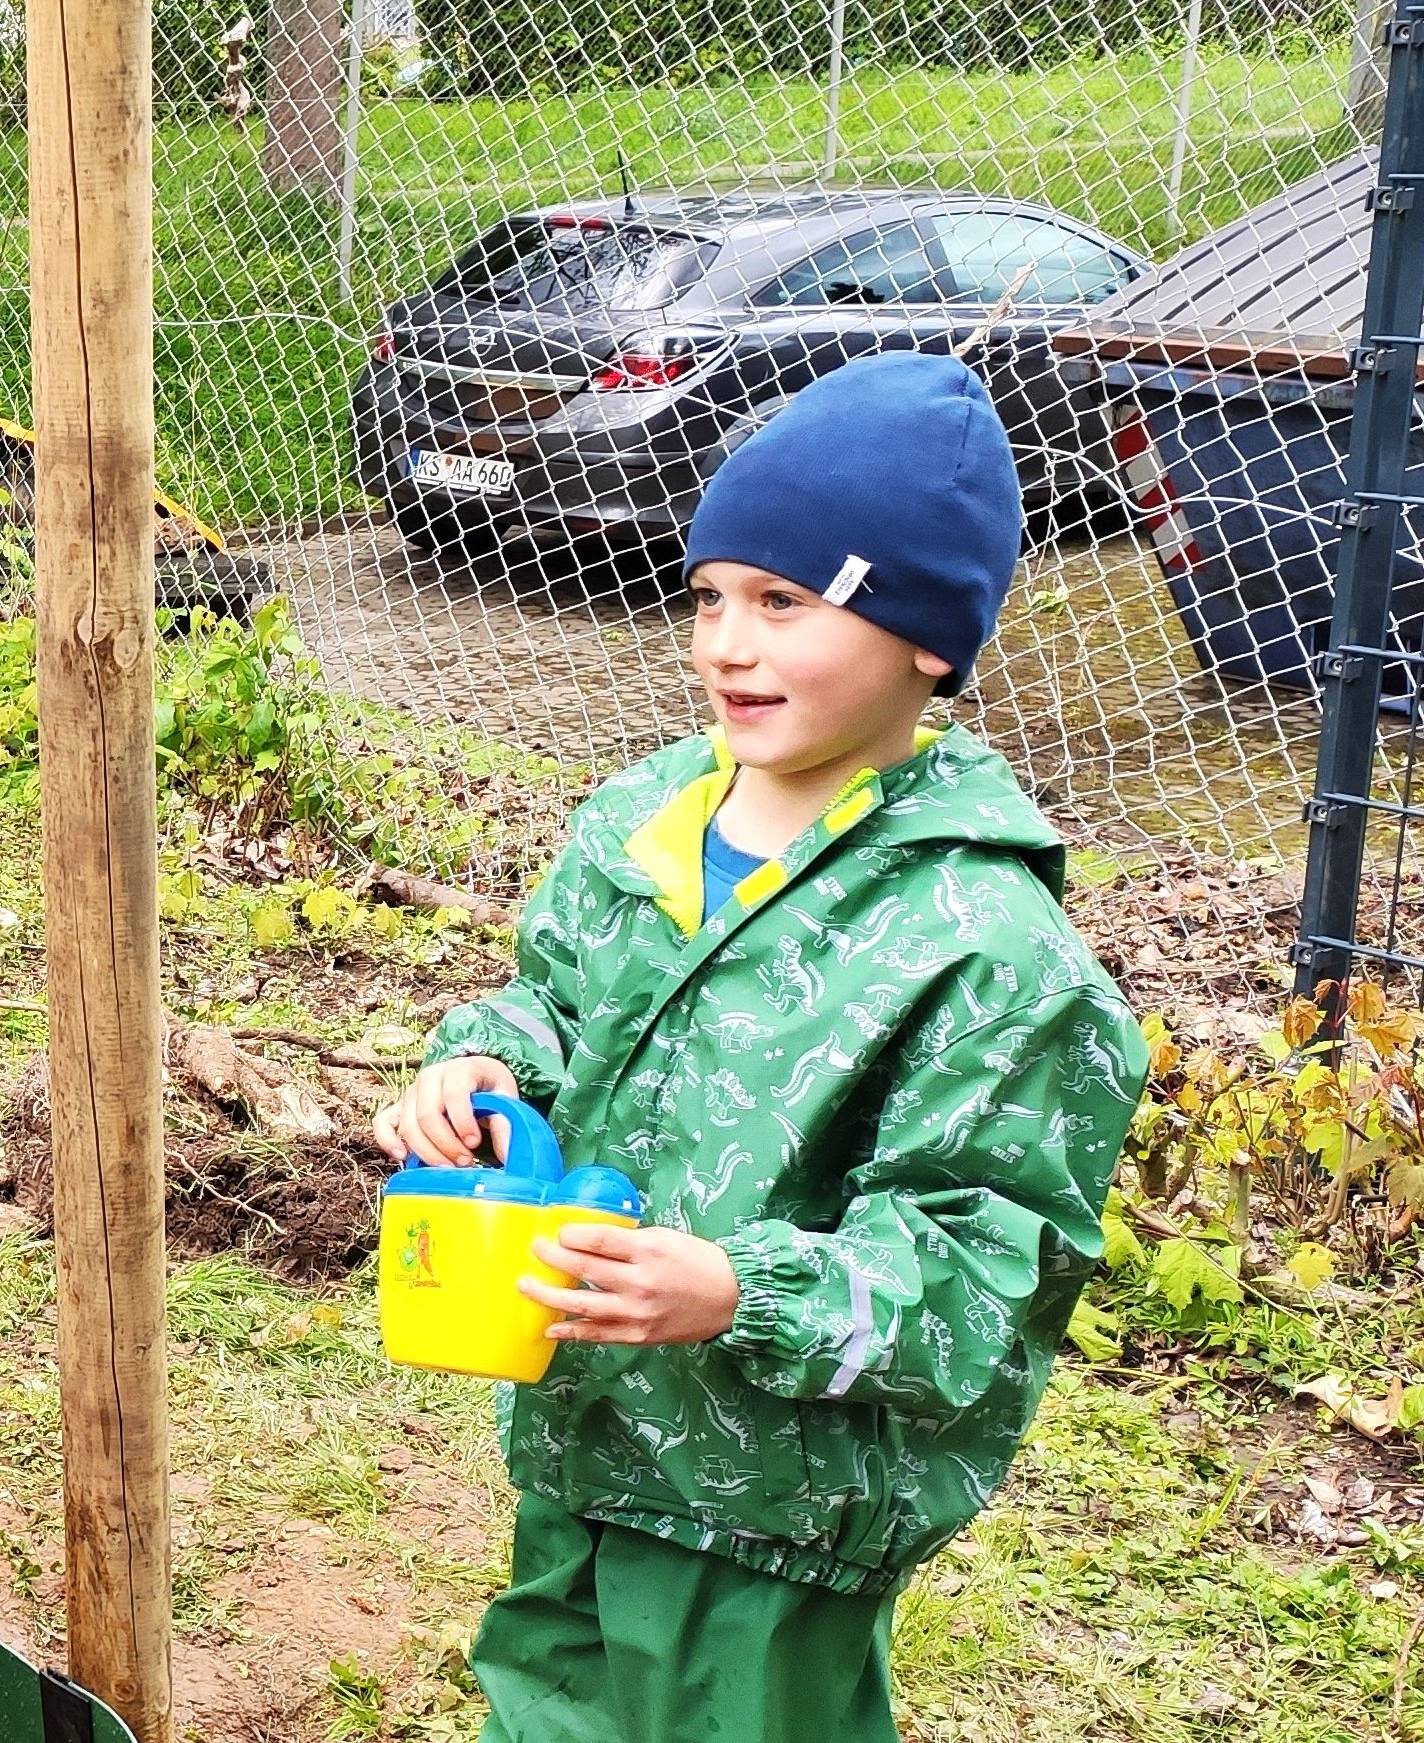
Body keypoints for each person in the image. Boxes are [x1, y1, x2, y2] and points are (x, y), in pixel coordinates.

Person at [370, 353, 1149, 1743]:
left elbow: (983, 1269)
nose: (725, 645)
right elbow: (554, 1002)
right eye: (709, 596)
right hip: (583, 1433)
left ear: (923, 638)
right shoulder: (647, 817)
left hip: (771, 1516)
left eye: (785, 602)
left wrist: (741, 1289)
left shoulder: (982, 945)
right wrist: (485, 1067)